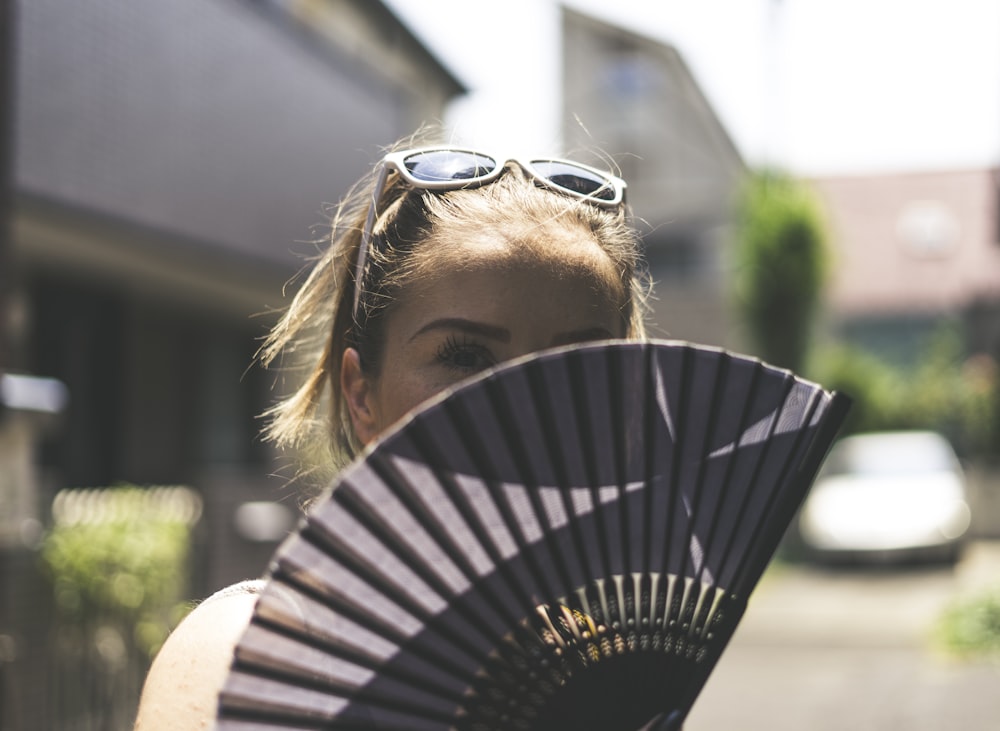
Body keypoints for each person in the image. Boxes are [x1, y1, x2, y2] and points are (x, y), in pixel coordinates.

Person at [132, 134, 650, 730]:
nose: (524, 408)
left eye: (574, 365)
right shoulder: (245, 656)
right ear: (361, 394)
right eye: (465, 356)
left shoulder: (599, 670)